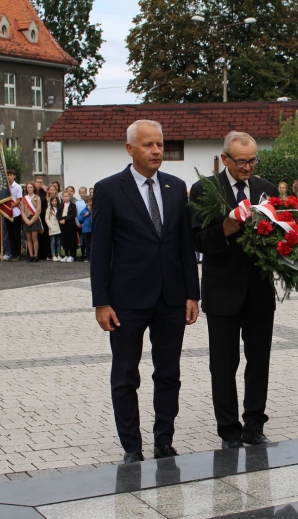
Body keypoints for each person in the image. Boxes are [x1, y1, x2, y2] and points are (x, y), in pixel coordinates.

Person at [91, 119, 200, 463]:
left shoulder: (175, 186)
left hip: (171, 298)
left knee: (168, 373)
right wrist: (101, 302)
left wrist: (192, 294)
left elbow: (185, 246)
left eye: (159, 144)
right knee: (126, 375)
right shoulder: (109, 189)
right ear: (130, 149)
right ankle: (132, 447)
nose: (156, 151)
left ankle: (164, 440)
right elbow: (100, 251)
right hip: (127, 301)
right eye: (148, 145)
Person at [190, 131, 279, 449]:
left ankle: (254, 426)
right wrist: (224, 229)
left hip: (259, 291)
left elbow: (279, 237)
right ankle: (229, 430)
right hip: (222, 291)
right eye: (241, 161)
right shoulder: (204, 189)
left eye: (253, 160)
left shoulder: (266, 189)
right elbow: (196, 240)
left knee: (259, 362)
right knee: (224, 364)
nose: (247, 167)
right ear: (225, 158)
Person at [21, 182, 43, 262]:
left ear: (33, 188)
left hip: (34, 219)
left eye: (31, 187)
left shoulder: (37, 198)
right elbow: (22, 211)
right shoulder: (24, 199)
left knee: (34, 238)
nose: (29, 189)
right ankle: (30, 255)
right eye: (28, 187)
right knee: (28, 239)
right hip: (26, 219)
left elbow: (38, 211)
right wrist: (26, 220)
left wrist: (32, 220)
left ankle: (36, 255)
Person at [5, 170, 23, 261]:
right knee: (10, 234)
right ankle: (12, 253)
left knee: (16, 234)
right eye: (8, 175)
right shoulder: (5, 187)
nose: (9, 177)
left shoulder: (18, 187)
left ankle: (17, 254)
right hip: (7, 213)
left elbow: (19, 200)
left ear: (14, 176)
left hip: (16, 213)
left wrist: (11, 206)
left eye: (11, 175)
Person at [58, 188, 78, 262]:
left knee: (71, 239)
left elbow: (73, 214)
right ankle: (66, 254)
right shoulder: (60, 205)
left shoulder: (73, 205)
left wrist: (65, 220)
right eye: (64, 196)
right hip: (62, 223)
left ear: (70, 197)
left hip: (70, 223)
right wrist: (60, 220)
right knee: (64, 239)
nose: (66, 198)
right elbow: (58, 214)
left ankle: (72, 255)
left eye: (67, 196)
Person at [35, 176, 50, 260]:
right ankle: (36, 253)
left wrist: (46, 191)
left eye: (41, 182)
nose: (40, 184)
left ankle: (45, 253)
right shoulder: (33, 192)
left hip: (44, 216)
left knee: (44, 236)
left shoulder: (45, 192)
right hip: (35, 216)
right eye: (38, 182)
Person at [46, 195, 62, 261]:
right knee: (53, 241)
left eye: (55, 201)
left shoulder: (59, 208)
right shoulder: (49, 208)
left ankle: (58, 254)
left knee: (59, 242)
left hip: (58, 226)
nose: (54, 202)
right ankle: (53, 255)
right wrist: (50, 226)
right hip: (52, 227)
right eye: (52, 201)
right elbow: (46, 218)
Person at [78, 194, 92, 263]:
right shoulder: (83, 210)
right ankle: (88, 257)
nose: (89, 203)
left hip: (93, 229)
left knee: (93, 244)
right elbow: (80, 220)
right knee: (87, 244)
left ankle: (93, 257)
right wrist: (84, 215)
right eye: (87, 202)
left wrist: (91, 212)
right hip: (86, 230)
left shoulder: (95, 209)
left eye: (90, 201)